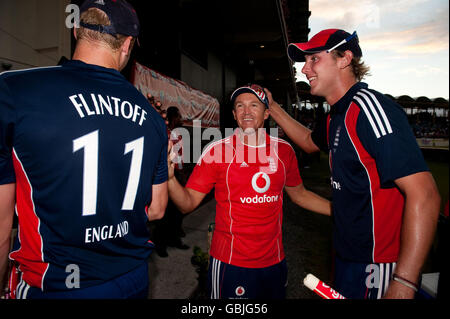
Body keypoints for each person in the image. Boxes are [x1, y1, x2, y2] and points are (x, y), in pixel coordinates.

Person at [0, 0, 168, 299]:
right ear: (127, 44)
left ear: (77, 30)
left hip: (59, 284)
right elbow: (156, 209)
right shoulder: (153, 118)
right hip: (132, 277)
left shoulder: (15, 92)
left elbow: (1, 227)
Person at [267, 28, 441, 299]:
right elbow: (308, 141)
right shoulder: (337, 114)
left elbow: (426, 194)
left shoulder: (370, 109)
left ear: (344, 58)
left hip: (379, 264)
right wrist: (274, 107)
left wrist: (404, 282)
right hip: (346, 255)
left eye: (314, 59)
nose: (305, 70)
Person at [167, 84, 331, 299]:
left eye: (254, 105)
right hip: (231, 263)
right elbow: (186, 203)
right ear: (234, 115)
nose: (246, 111)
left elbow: (299, 194)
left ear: (266, 113)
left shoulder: (284, 151)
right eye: (240, 106)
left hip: (275, 262)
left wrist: (338, 210)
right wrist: (168, 177)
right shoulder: (218, 151)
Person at [152, 106, 189, 257]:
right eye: (178, 116)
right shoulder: (164, 132)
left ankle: (174, 239)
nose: (180, 119)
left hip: (177, 175)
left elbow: (180, 156)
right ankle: (160, 244)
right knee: (165, 213)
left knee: (177, 211)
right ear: (173, 117)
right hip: (165, 176)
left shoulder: (179, 134)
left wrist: (182, 172)